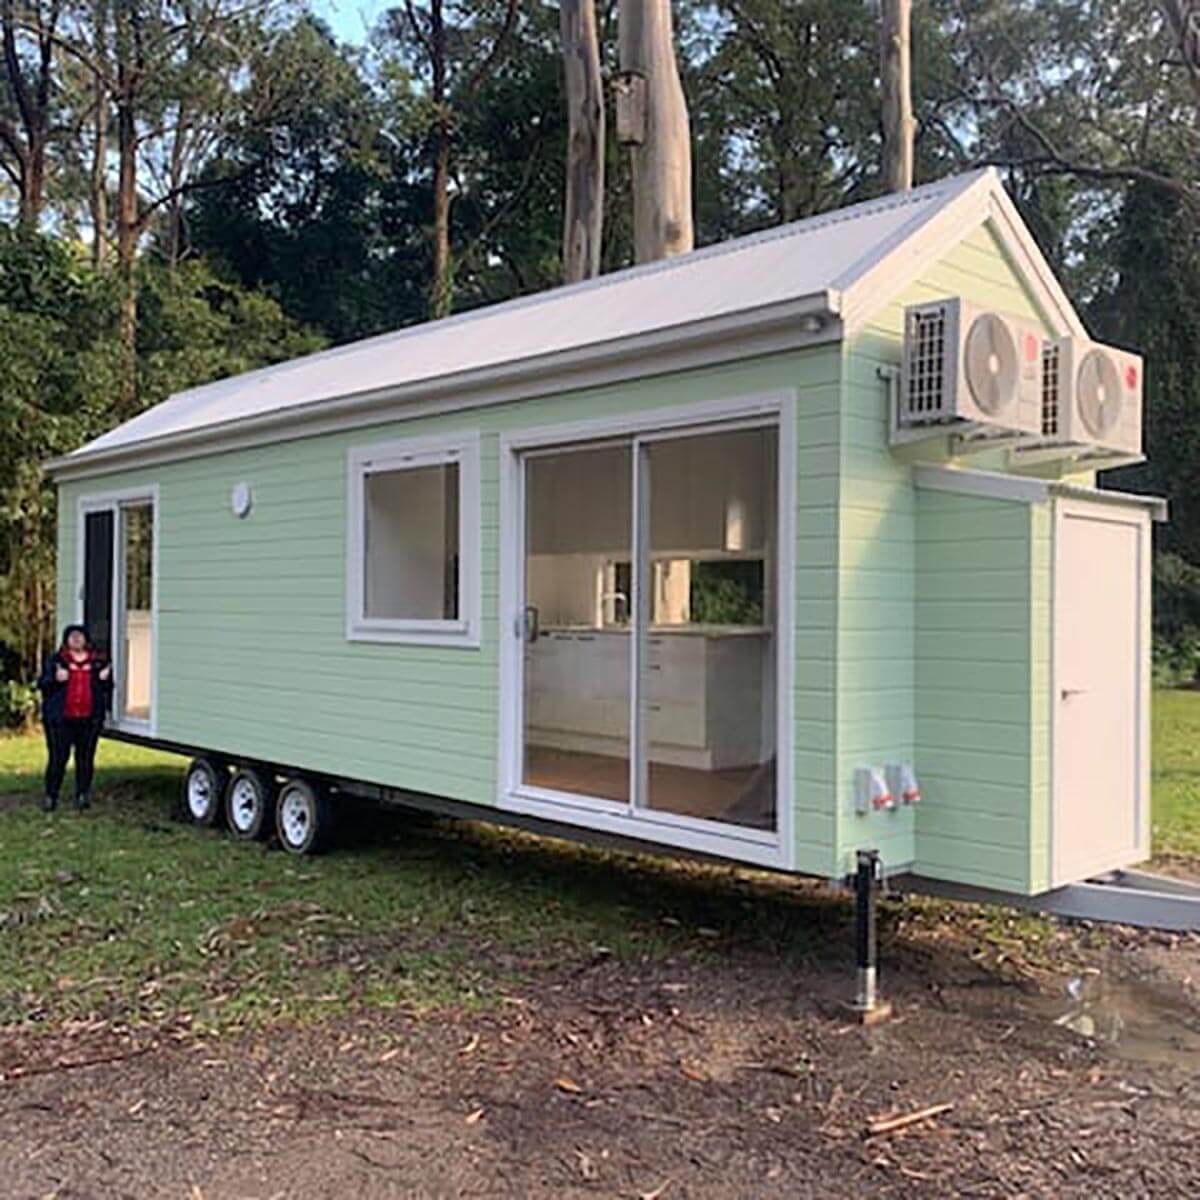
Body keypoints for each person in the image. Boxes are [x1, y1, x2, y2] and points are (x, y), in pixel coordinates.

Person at [37, 624, 113, 812]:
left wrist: (104, 680)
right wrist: (56, 679)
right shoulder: (57, 661)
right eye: (72, 637)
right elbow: (43, 685)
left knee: (85, 759)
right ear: (66, 640)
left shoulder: (98, 662)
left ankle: (83, 795)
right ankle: (51, 796)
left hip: (88, 720)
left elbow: (107, 688)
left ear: (86, 640)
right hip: (60, 720)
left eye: (80, 636)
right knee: (58, 758)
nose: (76, 640)